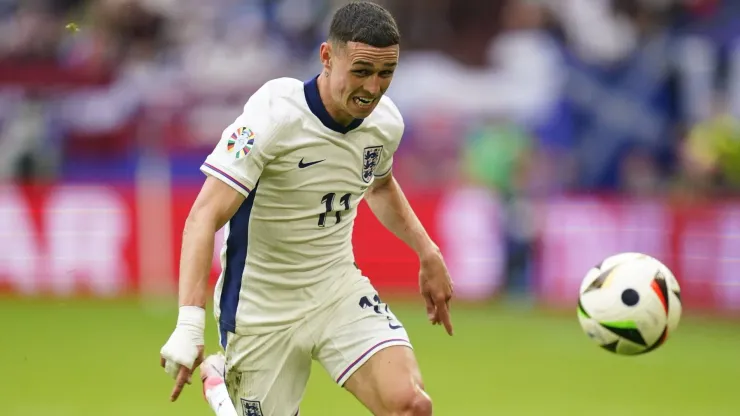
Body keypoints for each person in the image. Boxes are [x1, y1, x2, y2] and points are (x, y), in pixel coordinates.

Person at [159, 2, 454, 415]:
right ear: (327, 58)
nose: (373, 88)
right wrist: (189, 323)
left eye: (386, 73)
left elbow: (380, 185)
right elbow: (203, 216)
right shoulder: (274, 115)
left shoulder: (385, 124)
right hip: (261, 309)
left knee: (411, 406)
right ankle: (218, 380)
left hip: (336, 288)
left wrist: (428, 251)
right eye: (362, 70)